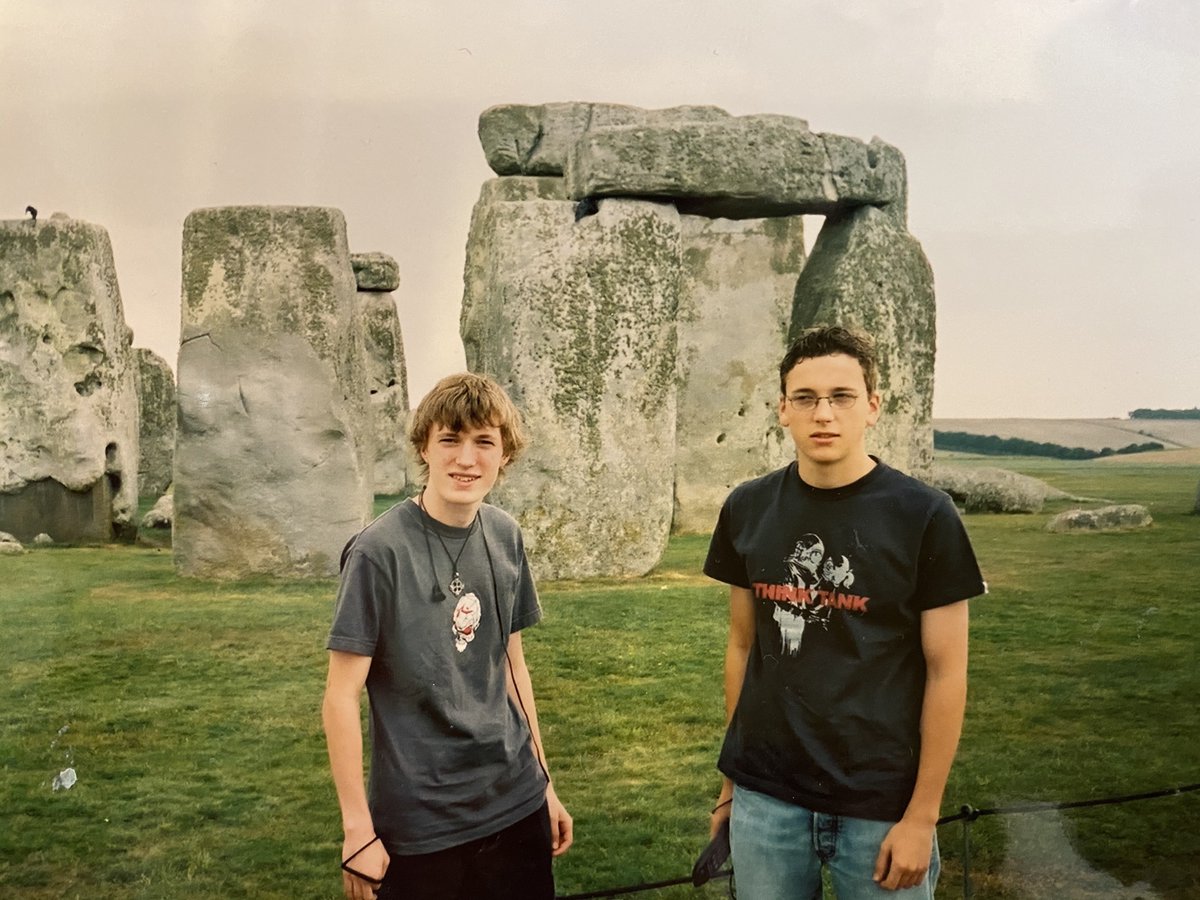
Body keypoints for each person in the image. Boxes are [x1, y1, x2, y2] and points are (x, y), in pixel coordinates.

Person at [705, 326, 985, 898]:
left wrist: (922, 817)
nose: (823, 414)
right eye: (805, 398)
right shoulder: (747, 507)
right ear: (782, 410)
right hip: (767, 797)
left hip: (880, 801)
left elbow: (947, 671)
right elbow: (742, 645)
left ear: (873, 406)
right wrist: (733, 790)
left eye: (842, 397)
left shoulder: (925, 515)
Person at [323, 373, 572, 900]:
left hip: (515, 799)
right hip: (422, 821)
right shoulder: (377, 552)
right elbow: (340, 696)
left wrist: (544, 782)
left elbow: (512, 668)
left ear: (505, 454)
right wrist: (356, 829)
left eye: (484, 441)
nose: (466, 459)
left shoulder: (504, 535)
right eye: (450, 440)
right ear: (424, 448)